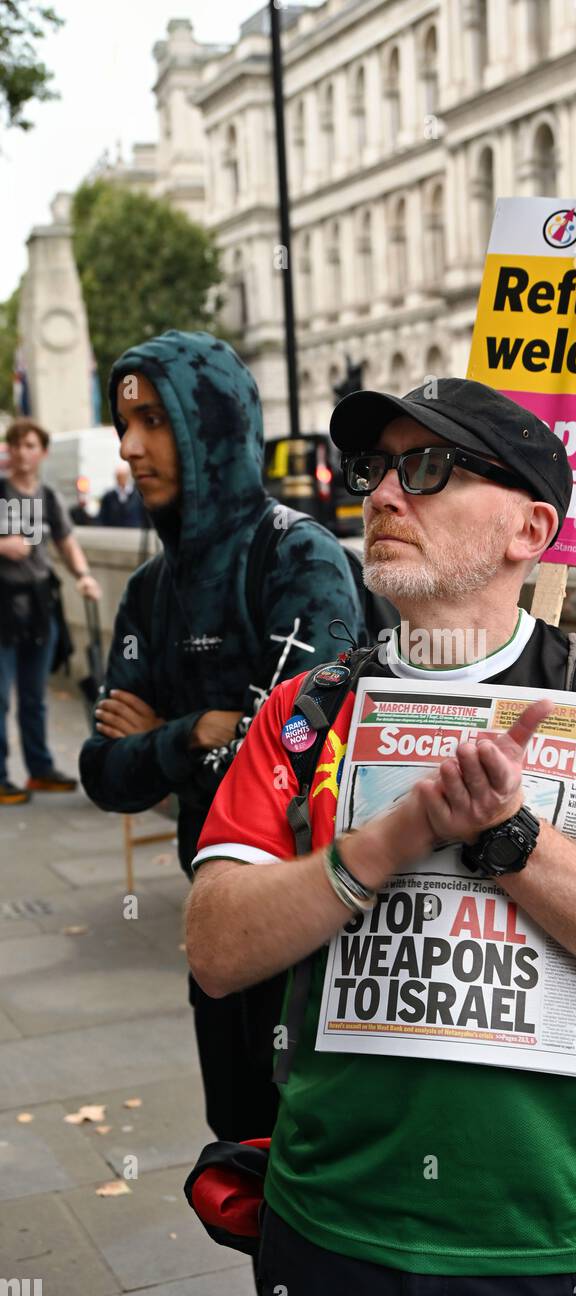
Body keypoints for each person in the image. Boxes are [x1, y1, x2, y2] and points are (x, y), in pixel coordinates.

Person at [185, 378, 576, 1296]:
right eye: (374, 470)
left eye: (428, 469)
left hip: (555, 1239)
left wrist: (511, 840)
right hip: (330, 1224)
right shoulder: (306, 711)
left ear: (530, 531)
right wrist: (394, 839)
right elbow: (216, 949)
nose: (383, 497)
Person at [79, 329, 362, 1145]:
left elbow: (302, 750)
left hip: (321, 933)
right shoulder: (148, 592)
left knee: (322, 1168)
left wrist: (178, 741)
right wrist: (200, 734)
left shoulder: (296, 556)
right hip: (219, 941)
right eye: (123, 423)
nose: (130, 448)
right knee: (240, 1156)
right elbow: (102, 772)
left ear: (212, 424)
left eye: (154, 421)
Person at [0, 417, 101, 805]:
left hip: (39, 604)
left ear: (42, 453)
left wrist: (84, 575)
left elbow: (66, 541)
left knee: (34, 694)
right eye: (15, 445)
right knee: (1, 696)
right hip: (3, 604)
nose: (22, 453)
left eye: (30, 446)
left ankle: (39, 769)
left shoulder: (48, 497)